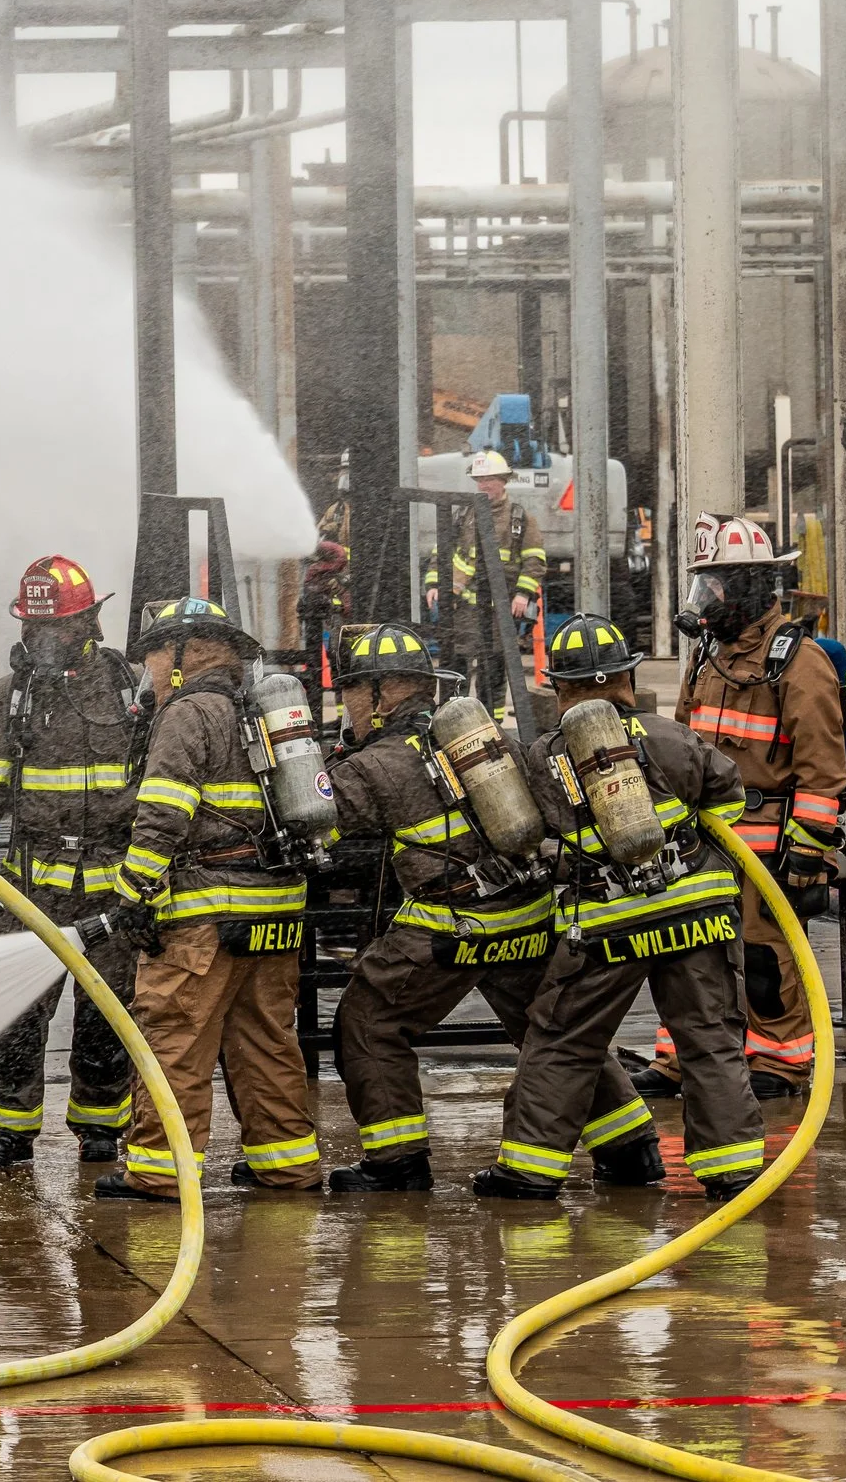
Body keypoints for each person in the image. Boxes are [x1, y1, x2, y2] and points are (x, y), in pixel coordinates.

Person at [318, 623, 656, 1193]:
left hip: (452, 925)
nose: (345, 705)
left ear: (379, 694)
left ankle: (396, 1162)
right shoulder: (481, 739)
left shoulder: (374, 765)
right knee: (553, 1034)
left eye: (350, 692)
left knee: (368, 1020)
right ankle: (631, 1149)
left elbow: (314, 826)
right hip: (526, 914)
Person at [474, 614, 766, 1201]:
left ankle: (529, 1172)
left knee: (563, 1040)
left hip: (609, 925)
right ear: (627, 679)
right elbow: (729, 801)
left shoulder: (544, 757)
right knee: (709, 1039)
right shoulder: (672, 737)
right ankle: (733, 1172)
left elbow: (531, 835)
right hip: (699, 917)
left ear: (561, 687)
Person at [94, 597, 319, 1201]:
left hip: (205, 916)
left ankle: (160, 1174)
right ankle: (287, 1165)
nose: (149, 670)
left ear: (189, 652)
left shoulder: (190, 712)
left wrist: (132, 895)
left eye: (155, 654)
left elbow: (163, 813)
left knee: (174, 1041)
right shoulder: (258, 711)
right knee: (268, 1041)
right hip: (275, 912)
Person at [634, 513, 846, 1104]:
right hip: (704, 841)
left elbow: (823, 768)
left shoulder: (798, 663)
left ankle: (780, 1064)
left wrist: (807, 852)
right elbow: (681, 745)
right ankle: (682, 1059)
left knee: (761, 958)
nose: (706, 601)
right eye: (703, 586)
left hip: (766, 843)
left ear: (750, 586)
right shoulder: (709, 655)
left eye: (716, 587)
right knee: (689, 953)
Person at [0, 555, 142, 1167]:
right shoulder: (9, 699)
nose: (42, 642)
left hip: (112, 887)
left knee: (107, 1017)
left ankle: (99, 1128)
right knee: (14, 1016)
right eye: (33, 630)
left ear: (88, 623)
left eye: (56, 628)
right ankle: (8, 1130)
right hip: (31, 891)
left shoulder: (130, 690)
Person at [424, 450, 544, 717]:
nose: (484, 484)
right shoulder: (463, 515)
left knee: (494, 669)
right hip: (463, 609)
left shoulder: (520, 519)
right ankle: (455, 720)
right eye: (479, 479)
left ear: (503, 480)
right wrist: (433, 584)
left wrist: (523, 594)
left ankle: (493, 724)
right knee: (457, 666)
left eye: (489, 478)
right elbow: (441, 552)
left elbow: (534, 560)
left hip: (499, 610)